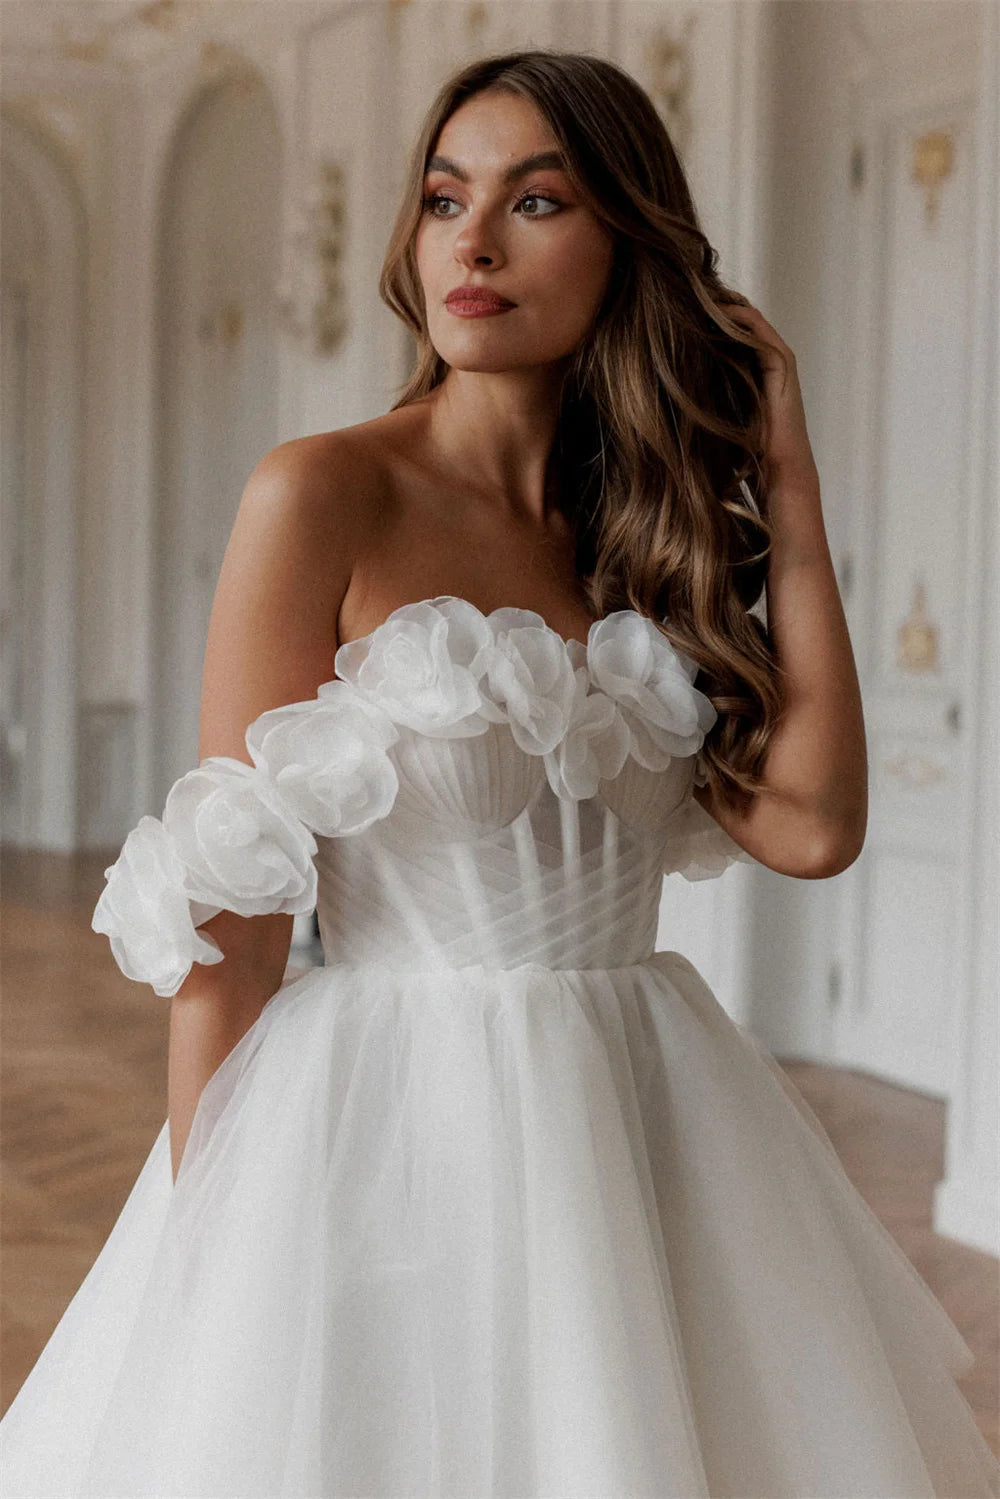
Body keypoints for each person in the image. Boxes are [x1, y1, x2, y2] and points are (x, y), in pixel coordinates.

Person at [2, 47, 998, 1499]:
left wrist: (784, 482)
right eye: (442, 197)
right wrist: (210, 1258)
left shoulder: (652, 536)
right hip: (380, 1119)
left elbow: (817, 827)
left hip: (645, 1126)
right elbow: (237, 919)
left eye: (536, 200)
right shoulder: (323, 492)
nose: (471, 240)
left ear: (629, 243)